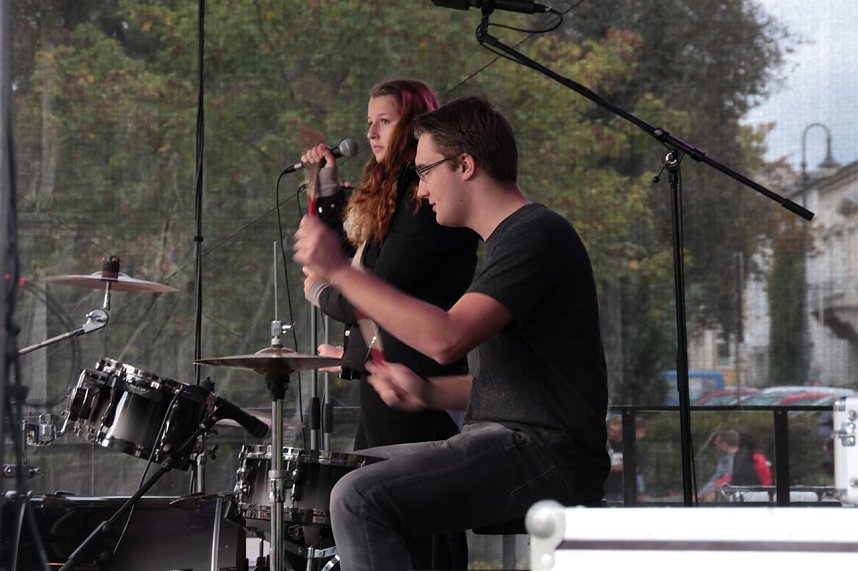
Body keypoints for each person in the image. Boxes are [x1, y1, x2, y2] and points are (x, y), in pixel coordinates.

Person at [293, 94, 609, 570]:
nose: (419, 191)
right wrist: (428, 392)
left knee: (358, 497)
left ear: (465, 165)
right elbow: (521, 382)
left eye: (423, 172)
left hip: (548, 454)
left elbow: (446, 339)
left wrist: (339, 271)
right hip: (516, 440)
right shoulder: (509, 242)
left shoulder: (536, 234)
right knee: (348, 475)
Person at [299, 79, 478, 568]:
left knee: (415, 524)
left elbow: (381, 290)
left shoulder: (422, 202)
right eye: (369, 123)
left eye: (385, 120)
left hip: (420, 381)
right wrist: (327, 188)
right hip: (389, 378)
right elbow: (352, 256)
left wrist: (322, 292)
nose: (373, 133)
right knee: (378, 513)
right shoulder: (391, 194)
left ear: (415, 125)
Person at [604, 414, 647, 503]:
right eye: (613, 425)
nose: (614, 429)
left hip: (624, 491)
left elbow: (639, 467)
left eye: (618, 425)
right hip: (606, 490)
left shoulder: (630, 446)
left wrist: (625, 467)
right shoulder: (604, 445)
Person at [698, 428, 739, 501]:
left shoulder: (734, 459)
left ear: (724, 443)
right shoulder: (725, 457)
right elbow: (716, 477)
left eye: (718, 441)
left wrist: (704, 493)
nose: (715, 443)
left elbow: (727, 479)